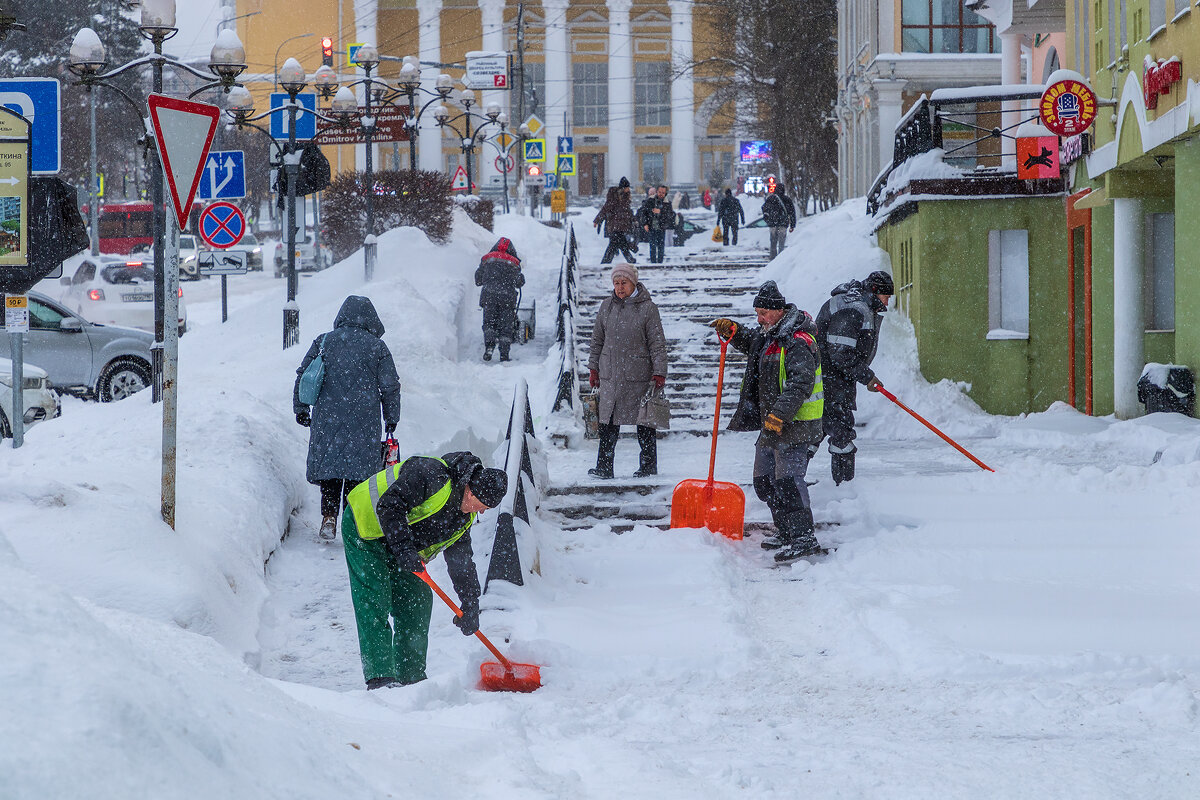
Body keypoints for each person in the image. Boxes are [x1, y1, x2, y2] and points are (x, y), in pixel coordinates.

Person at [341, 450, 508, 689]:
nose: (481, 512)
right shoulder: (431, 474)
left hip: (400, 543)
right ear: (471, 491)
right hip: (365, 526)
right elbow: (389, 505)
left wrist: (471, 603)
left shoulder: (463, 518)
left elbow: (461, 562)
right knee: (374, 597)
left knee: (416, 601)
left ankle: (411, 678)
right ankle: (380, 678)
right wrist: (404, 549)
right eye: (482, 506)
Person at [709, 281, 825, 561]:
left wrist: (779, 414)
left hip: (796, 424)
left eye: (762, 313)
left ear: (777, 311)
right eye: (757, 313)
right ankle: (786, 530)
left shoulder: (798, 340)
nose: (759, 319)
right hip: (771, 424)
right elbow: (753, 342)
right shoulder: (770, 336)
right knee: (764, 482)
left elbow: (801, 383)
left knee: (788, 481)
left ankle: (804, 537)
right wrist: (734, 331)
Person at [295, 296, 403, 541]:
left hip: (328, 417)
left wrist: (300, 407)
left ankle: (329, 517)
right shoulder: (377, 347)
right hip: (364, 421)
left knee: (331, 470)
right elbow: (390, 386)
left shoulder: (324, 341)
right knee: (357, 475)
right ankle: (349, 524)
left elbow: (305, 374)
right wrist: (392, 416)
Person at [588, 263, 669, 478]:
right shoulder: (606, 306)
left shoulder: (648, 308)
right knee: (607, 423)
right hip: (610, 375)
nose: (619, 287)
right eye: (616, 283)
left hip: (639, 376)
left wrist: (659, 371)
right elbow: (597, 340)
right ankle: (604, 467)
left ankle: (648, 467)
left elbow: (657, 343)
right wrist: (593, 368)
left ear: (633, 283)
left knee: (644, 422)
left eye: (623, 283)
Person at [814, 271, 893, 485]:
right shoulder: (854, 308)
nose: (887, 302)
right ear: (875, 291)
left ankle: (789, 479)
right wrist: (867, 377)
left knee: (816, 431)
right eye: (886, 296)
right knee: (840, 433)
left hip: (830, 379)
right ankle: (843, 488)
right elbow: (840, 351)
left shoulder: (857, 304)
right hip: (830, 380)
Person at [475, 237, 525, 362]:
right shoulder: (514, 263)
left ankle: (489, 347)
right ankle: (504, 355)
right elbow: (519, 282)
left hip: (489, 296)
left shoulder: (487, 259)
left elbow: (478, 279)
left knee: (489, 323)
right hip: (507, 299)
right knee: (506, 327)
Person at [594, 178, 638, 264]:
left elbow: (628, 211)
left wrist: (634, 219)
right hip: (614, 225)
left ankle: (608, 261)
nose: (629, 189)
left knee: (619, 244)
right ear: (623, 187)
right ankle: (627, 260)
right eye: (627, 187)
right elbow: (606, 208)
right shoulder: (614, 197)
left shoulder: (625, 197)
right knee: (616, 244)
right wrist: (597, 220)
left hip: (622, 225)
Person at [638, 184, 676, 264]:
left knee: (661, 246)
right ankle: (653, 262)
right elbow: (643, 213)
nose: (661, 194)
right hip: (651, 226)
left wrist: (661, 212)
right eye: (659, 192)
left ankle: (660, 262)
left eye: (663, 192)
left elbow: (670, 215)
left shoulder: (667, 203)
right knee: (652, 246)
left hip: (661, 227)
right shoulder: (650, 200)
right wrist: (645, 224)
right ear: (656, 191)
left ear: (665, 193)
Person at [762, 183, 797, 260]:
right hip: (783, 224)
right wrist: (792, 225)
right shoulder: (787, 200)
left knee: (773, 243)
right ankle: (780, 260)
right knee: (781, 243)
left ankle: (773, 259)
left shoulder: (770, 198)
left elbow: (764, 209)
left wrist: (768, 220)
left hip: (773, 224)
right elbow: (792, 213)